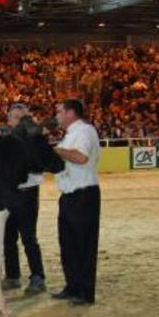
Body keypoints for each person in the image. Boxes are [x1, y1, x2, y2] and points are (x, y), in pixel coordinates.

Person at [51, 99, 100, 305]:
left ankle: (84, 292)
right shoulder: (71, 134)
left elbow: (81, 158)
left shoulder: (84, 131)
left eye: (60, 112)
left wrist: (56, 150)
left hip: (83, 196)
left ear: (71, 113)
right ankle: (73, 286)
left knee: (83, 246)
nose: (57, 116)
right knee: (68, 245)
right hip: (70, 196)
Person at [1, 104, 47, 295]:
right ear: (9, 120)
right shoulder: (4, 139)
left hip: (27, 192)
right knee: (8, 237)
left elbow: (41, 165)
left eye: (22, 118)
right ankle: (12, 276)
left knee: (29, 237)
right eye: (15, 118)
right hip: (7, 192)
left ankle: (37, 277)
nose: (18, 122)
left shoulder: (35, 139)